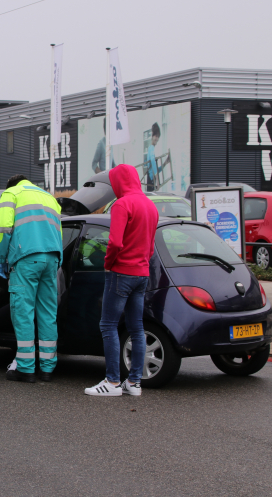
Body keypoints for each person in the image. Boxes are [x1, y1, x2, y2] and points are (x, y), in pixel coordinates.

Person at [85, 164, 158, 397]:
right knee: (137, 328)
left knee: (108, 325)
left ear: (119, 182)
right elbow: (151, 247)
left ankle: (112, 382)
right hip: (142, 273)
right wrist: (142, 262)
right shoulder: (150, 205)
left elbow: (115, 242)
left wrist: (108, 263)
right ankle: (134, 382)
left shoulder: (122, 204)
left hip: (121, 272)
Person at [0, 174, 63, 383]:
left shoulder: (12, 193)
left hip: (25, 259)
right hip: (51, 259)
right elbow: (58, 231)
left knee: (23, 312)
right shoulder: (48, 197)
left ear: (10, 184)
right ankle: (48, 368)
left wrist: (1, 259)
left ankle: (25, 368)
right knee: (48, 313)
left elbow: (3, 230)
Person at [145, 123, 162, 192]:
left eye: (157, 136)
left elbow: (155, 168)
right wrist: (157, 179)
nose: (156, 138)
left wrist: (164, 164)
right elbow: (152, 161)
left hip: (152, 180)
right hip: (151, 181)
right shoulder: (151, 148)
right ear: (152, 136)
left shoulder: (152, 149)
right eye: (155, 136)